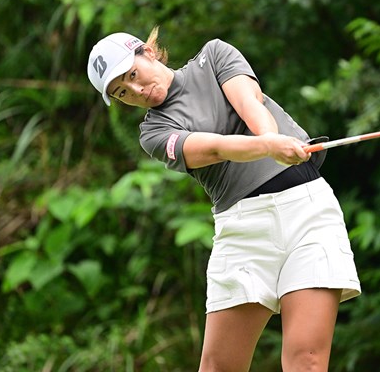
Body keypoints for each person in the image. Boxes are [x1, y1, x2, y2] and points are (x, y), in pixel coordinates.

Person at [87, 27, 361, 372]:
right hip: (244, 231)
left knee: (307, 361)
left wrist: (271, 138)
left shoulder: (213, 56)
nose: (138, 91)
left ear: (149, 53)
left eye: (132, 75)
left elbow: (250, 103)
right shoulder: (153, 133)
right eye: (123, 93)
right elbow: (215, 148)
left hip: (308, 212)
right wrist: (268, 147)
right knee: (220, 367)